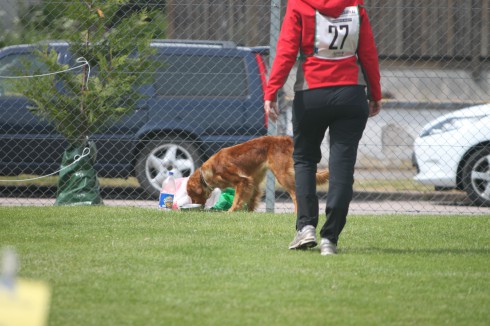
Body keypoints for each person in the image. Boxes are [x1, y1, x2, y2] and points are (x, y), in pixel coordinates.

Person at [264, 0, 382, 255]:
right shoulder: (356, 5)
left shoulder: (298, 5)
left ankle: (305, 227)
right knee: (342, 164)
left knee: (305, 159)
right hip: (351, 94)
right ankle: (330, 238)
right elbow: (368, 52)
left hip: (311, 96)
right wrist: (375, 92)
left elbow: (286, 51)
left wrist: (271, 91)